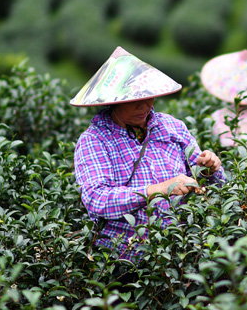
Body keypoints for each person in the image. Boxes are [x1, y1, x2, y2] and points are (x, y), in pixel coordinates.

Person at [72, 46, 225, 261]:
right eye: (134, 100)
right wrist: (158, 190)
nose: (144, 105)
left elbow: (208, 182)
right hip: (123, 258)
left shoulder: (172, 127)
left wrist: (211, 168)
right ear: (113, 101)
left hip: (179, 252)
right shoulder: (94, 140)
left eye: (149, 97)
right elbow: (97, 199)